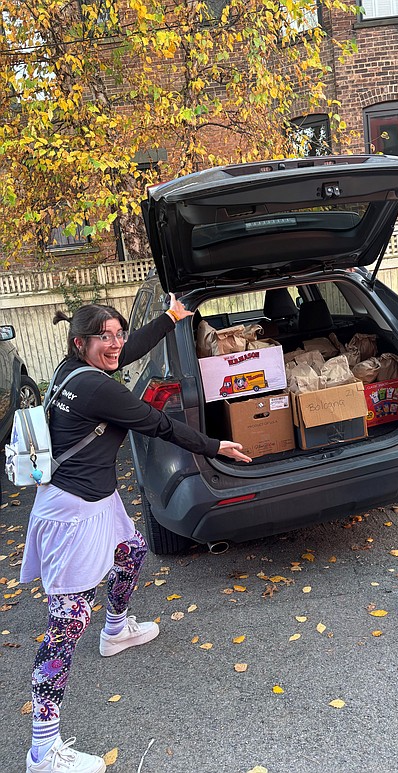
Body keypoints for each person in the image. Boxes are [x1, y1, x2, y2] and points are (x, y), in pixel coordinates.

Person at [20, 295, 251, 773]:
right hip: (72, 513)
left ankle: (117, 628)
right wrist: (216, 446)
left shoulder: (69, 370)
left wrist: (170, 317)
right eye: (104, 336)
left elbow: (129, 350)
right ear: (79, 341)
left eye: (118, 334)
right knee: (65, 628)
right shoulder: (98, 390)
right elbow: (157, 423)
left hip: (91, 497)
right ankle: (43, 749)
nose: (115, 344)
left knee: (131, 551)